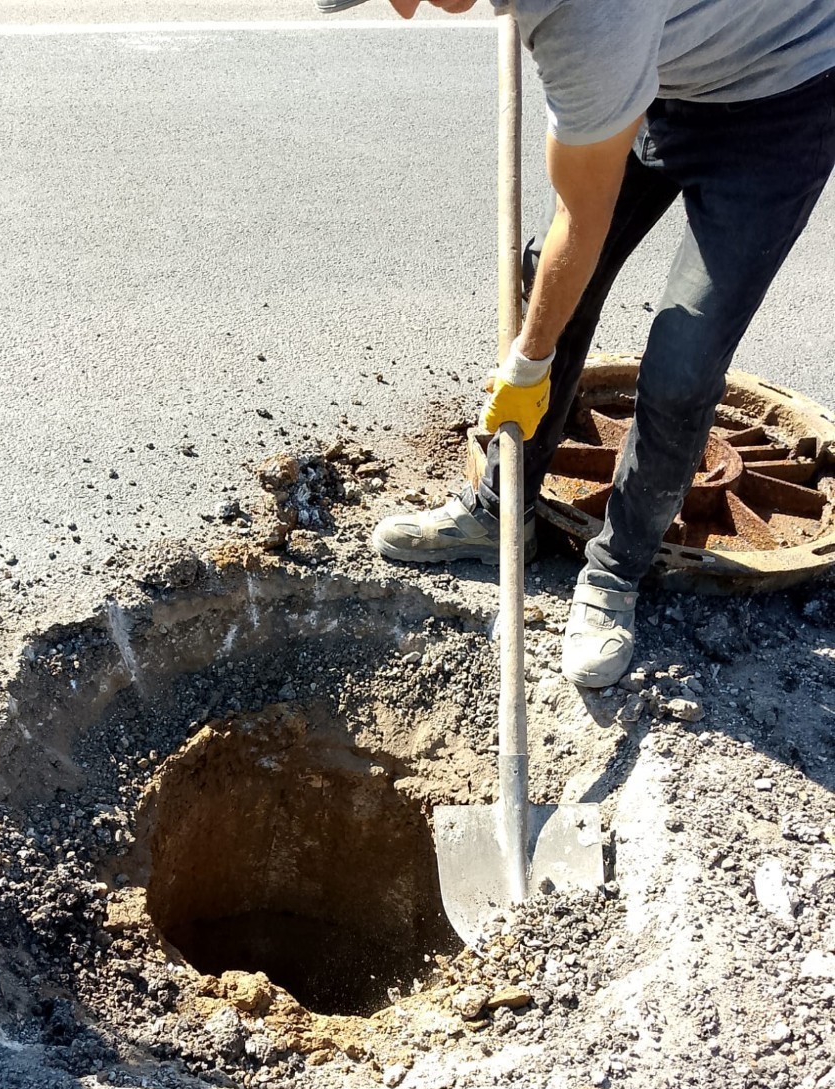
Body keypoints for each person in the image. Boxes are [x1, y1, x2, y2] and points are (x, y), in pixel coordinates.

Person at [325, 0, 835, 686]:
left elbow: (582, 217)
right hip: (661, 71)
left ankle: (615, 571)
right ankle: (502, 511)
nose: (405, 10)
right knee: (543, 281)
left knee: (683, 362)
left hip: (782, 100)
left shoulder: (588, 18)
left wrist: (529, 364)